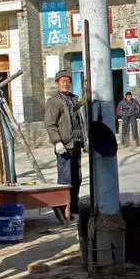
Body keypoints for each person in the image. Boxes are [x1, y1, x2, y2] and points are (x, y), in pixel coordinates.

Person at [44, 70, 84, 217]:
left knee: (76, 177)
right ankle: (62, 209)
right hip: (64, 145)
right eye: (63, 81)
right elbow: (50, 123)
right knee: (65, 178)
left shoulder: (73, 99)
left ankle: (73, 206)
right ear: (57, 83)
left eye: (68, 81)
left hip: (76, 143)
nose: (66, 84)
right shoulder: (54, 101)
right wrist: (57, 141)